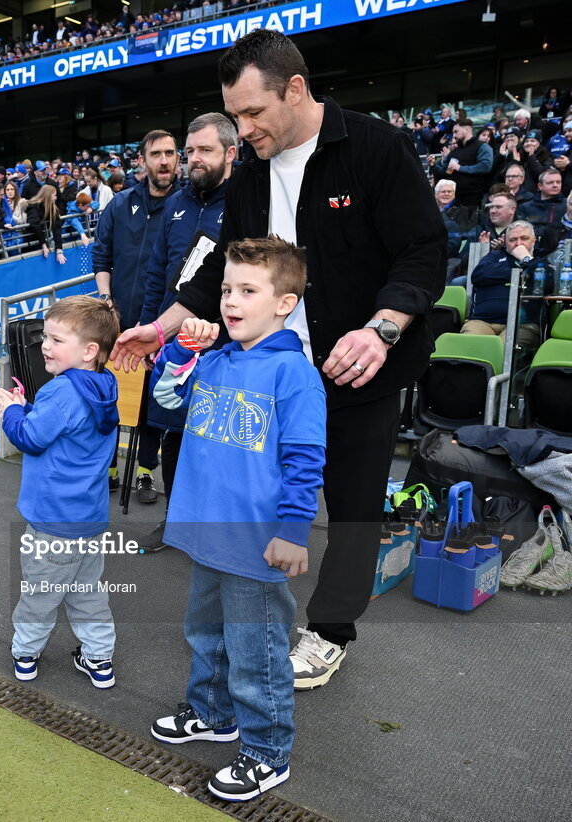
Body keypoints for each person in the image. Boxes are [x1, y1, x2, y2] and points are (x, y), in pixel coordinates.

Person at [111, 29, 446, 690]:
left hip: (359, 369)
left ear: (295, 89)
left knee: (350, 508)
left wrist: (381, 329)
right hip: (267, 373)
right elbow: (217, 278)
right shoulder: (250, 178)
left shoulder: (377, 149)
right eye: (234, 116)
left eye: (253, 113)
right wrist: (161, 327)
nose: (244, 130)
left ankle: (330, 633)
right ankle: (255, 623)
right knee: (263, 507)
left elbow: (423, 253)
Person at [148, 236, 325, 802]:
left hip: (256, 543)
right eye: (226, 288)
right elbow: (167, 402)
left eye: (248, 290)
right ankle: (211, 713)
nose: (229, 300)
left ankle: (267, 752)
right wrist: (180, 350)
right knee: (205, 636)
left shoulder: (294, 376)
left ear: (285, 303)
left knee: (256, 654)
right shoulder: (216, 358)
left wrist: (293, 532)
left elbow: (305, 460)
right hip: (207, 535)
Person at [0, 295, 121, 690]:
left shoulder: (61, 391)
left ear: (89, 350)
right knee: (88, 593)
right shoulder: (104, 383)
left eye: (56, 339)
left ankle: (25, 654)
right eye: (45, 336)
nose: (45, 345)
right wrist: (29, 409)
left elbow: (30, 437)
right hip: (90, 519)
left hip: (51, 520)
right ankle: (99, 659)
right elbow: (63, 431)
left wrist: (11, 410)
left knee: (39, 593)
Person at [137, 112, 237, 550]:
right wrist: (148, 330)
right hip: (174, 340)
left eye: (205, 151)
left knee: (223, 436)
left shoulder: (247, 201)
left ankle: (224, 529)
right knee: (174, 431)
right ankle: (176, 520)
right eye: (190, 151)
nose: (193, 159)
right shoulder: (177, 202)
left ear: (231, 154)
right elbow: (157, 274)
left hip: (225, 343)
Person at [93, 129, 179, 493]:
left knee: (152, 406)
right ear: (142, 161)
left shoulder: (187, 206)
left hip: (165, 325)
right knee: (109, 398)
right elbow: (102, 255)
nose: (164, 160)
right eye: (156, 154)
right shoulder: (119, 203)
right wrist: (105, 297)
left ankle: (146, 471)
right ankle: (109, 470)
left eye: (171, 153)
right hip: (119, 322)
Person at [462, 220, 550, 350]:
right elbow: (478, 275)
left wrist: (526, 259)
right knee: (469, 346)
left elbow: (548, 282)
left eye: (524, 238)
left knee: (502, 349)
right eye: (513, 240)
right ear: (505, 242)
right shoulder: (494, 256)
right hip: (482, 321)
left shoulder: (541, 261)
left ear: (534, 240)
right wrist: (522, 272)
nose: (518, 244)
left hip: (521, 324)